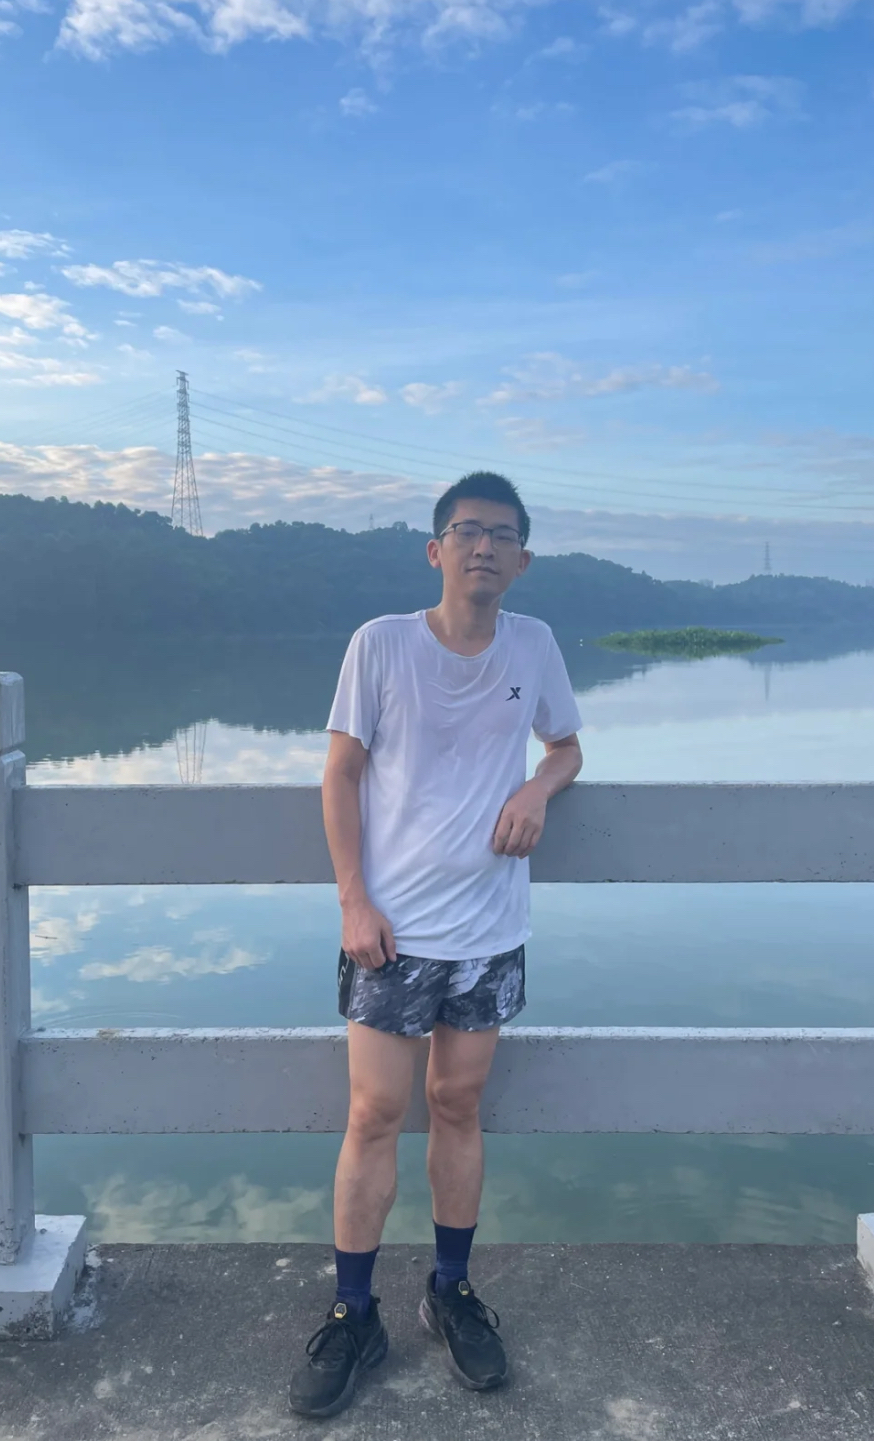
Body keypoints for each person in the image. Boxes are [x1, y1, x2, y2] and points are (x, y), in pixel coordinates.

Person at [288, 471, 583, 1419]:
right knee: (375, 1112)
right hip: (393, 932)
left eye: (502, 535)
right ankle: (352, 1311)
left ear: (523, 559)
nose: (483, 546)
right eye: (466, 531)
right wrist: (353, 902)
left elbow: (568, 746)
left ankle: (450, 1292)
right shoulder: (381, 644)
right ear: (436, 549)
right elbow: (340, 777)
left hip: (489, 931)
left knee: (457, 1104)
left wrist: (538, 788)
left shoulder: (534, 645)